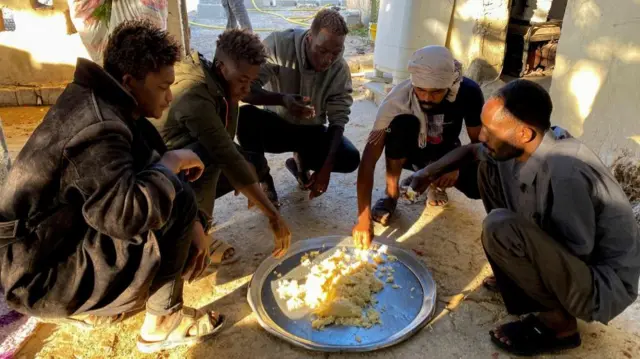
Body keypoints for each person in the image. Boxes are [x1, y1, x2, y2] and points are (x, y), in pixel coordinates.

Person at [0, 21, 287, 353]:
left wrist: (194, 222)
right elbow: (125, 217)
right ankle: (160, 326)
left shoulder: (105, 101)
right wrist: (170, 168)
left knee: (175, 191)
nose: (168, 96)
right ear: (128, 81)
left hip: (43, 248)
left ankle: (101, 304)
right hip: (37, 276)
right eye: (163, 87)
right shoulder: (100, 128)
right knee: (175, 193)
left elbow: (145, 158)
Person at [393, 79, 640, 356]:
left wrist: (524, 264)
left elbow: (578, 250)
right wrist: (425, 174)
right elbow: (475, 150)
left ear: (523, 133)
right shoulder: (529, 142)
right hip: (570, 260)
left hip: (601, 284)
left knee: (500, 227)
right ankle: (521, 275)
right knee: (488, 166)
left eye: (489, 130)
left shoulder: (564, 172)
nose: (482, 136)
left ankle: (559, 325)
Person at [155, 29, 291, 267]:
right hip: (157, 177)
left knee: (252, 166)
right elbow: (224, 153)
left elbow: (228, 145)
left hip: (187, 161)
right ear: (221, 67)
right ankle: (190, 232)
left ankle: (196, 225)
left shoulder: (221, 84)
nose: (246, 89)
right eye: (242, 80)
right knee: (216, 158)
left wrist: (248, 178)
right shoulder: (195, 94)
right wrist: (273, 216)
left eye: (251, 81)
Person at [352, 45, 484, 241]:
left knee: (477, 185)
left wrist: (455, 165)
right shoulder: (396, 101)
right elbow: (368, 162)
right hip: (411, 151)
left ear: (449, 84)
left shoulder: (469, 92)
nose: (427, 98)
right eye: (420, 90)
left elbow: (481, 144)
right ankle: (391, 194)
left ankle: (433, 183)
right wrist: (363, 219)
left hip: (447, 152)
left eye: (436, 92)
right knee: (401, 123)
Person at [238, 8, 360, 200]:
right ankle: (264, 178)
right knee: (244, 118)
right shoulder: (278, 45)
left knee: (350, 158)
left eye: (336, 52)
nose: (328, 59)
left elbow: (339, 119)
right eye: (322, 50)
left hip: (311, 131)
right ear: (310, 37)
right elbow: (244, 89)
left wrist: (326, 168)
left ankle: (300, 164)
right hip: (277, 127)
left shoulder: (339, 68)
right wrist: (282, 100)